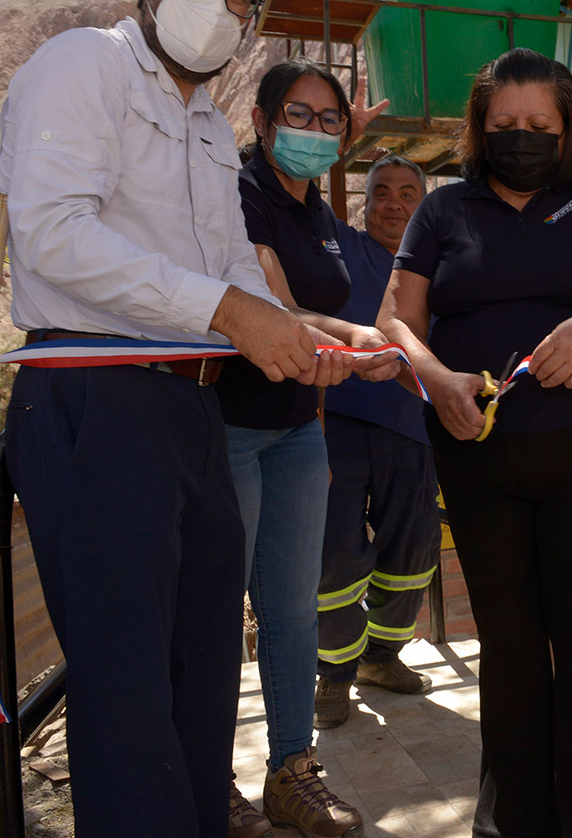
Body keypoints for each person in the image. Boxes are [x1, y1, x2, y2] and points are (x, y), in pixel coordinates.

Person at [0, 0, 353, 838]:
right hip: (97, 396)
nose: (218, 5)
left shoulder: (203, 121)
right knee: (125, 688)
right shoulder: (86, 65)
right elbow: (53, 233)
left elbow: (231, 264)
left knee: (200, 674)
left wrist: (309, 338)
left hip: (193, 408)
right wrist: (233, 314)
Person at [378, 47, 572, 837]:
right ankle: (511, 824)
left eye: (540, 123)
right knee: (507, 647)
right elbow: (395, 321)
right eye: (504, 124)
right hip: (478, 458)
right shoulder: (443, 211)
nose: (522, 137)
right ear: (479, 127)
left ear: (568, 126)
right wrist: (433, 376)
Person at [217, 59, 397, 838]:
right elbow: (273, 306)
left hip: (296, 427)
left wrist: (358, 339)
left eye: (331, 121)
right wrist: (354, 335)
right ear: (260, 122)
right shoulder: (240, 193)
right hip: (225, 424)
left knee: (291, 609)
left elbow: (309, 315)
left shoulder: (318, 210)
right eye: (300, 115)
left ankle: (293, 771)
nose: (315, 132)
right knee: (218, 613)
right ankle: (208, 778)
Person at [314, 155, 440, 729]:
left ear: (423, 202)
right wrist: (342, 143)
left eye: (407, 192)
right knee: (336, 554)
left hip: (413, 431)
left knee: (412, 553)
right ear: (364, 203)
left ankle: (382, 660)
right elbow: (296, 201)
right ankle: (334, 677)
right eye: (382, 192)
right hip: (337, 424)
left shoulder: (436, 269)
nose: (394, 202)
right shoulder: (339, 245)